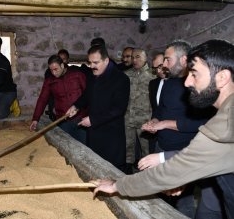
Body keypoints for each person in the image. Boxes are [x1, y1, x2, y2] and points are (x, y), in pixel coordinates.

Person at [91, 39, 234, 219]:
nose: (188, 82)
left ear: (222, 77)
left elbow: (178, 168)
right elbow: (211, 158)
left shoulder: (227, 123)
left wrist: (117, 185)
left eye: (195, 74)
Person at [67, 44, 130, 172]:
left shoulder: (121, 79)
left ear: (106, 60)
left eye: (96, 62)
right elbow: (87, 95)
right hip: (94, 132)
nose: (92, 66)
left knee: (112, 169)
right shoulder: (93, 75)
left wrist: (93, 120)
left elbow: (118, 109)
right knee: (95, 164)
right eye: (90, 62)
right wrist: (76, 106)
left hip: (111, 134)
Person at [30, 55, 87, 144]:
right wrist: (35, 118)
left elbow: (88, 95)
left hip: (81, 119)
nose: (53, 73)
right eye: (51, 70)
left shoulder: (77, 75)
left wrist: (90, 116)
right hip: (63, 120)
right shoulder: (50, 81)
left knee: (84, 146)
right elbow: (42, 99)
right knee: (65, 145)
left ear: (62, 65)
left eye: (56, 69)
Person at [124, 48, 154, 174]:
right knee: (128, 146)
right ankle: (128, 170)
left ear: (145, 58)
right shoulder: (126, 74)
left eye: (138, 57)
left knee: (145, 148)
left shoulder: (153, 76)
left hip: (145, 119)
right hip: (128, 118)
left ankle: (146, 172)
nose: (134, 60)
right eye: (133, 57)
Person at [148, 52, 166, 154]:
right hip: (155, 132)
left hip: (173, 133)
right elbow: (156, 108)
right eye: (155, 68)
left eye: (160, 66)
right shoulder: (153, 84)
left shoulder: (181, 84)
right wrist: (153, 121)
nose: (158, 71)